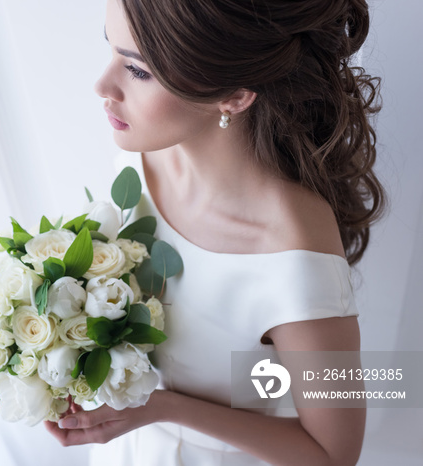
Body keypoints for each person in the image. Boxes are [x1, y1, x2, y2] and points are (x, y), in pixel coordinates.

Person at [44, 0, 385, 464]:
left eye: (138, 71)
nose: (102, 86)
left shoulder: (290, 252)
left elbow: (333, 453)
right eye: (111, 49)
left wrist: (162, 408)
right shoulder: (138, 161)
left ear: (235, 95)